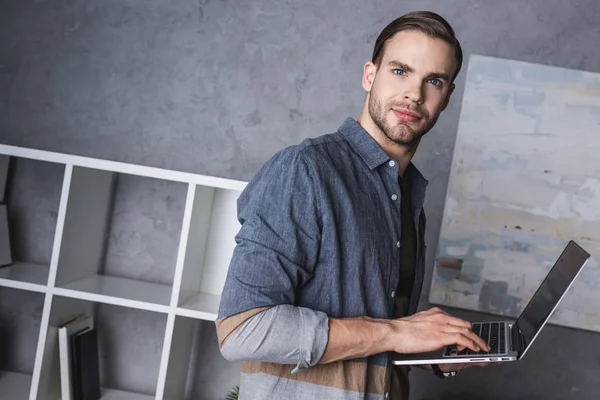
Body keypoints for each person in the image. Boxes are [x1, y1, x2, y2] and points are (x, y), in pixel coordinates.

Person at [215, 10, 491, 400]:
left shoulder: (408, 191)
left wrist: (429, 350)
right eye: (400, 71)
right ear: (369, 75)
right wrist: (398, 332)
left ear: (447, 97)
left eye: (434, 80)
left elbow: (376, 331)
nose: (414, 93)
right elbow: (242, 329)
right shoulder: (305, 170)